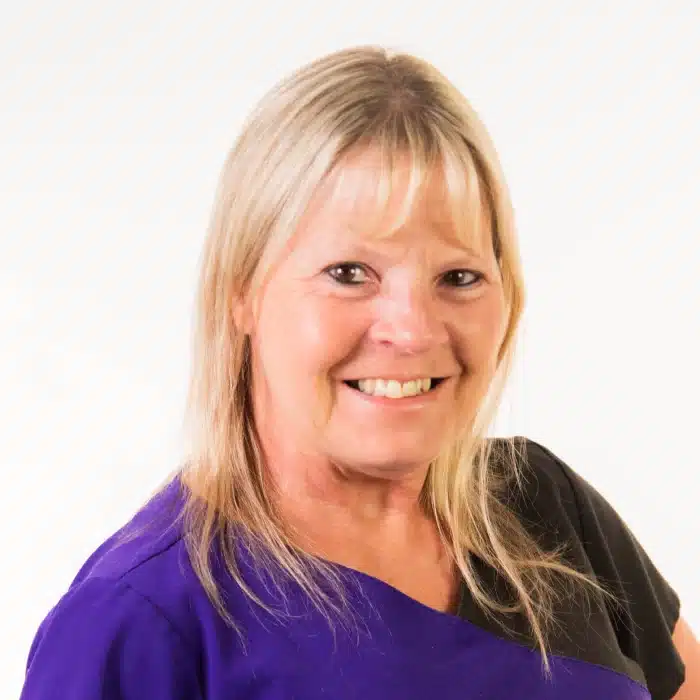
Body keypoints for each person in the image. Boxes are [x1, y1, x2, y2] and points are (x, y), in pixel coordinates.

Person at [19, 45, 698, 700]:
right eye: (349, 274)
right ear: (242, 290)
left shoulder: (545, 512)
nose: (412, 330)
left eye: (458, 277)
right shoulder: (142, 621)